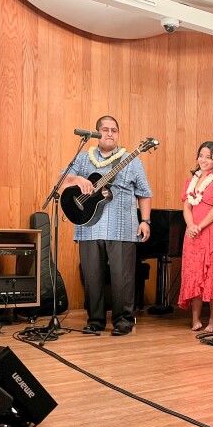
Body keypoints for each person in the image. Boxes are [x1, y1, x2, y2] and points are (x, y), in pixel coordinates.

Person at [61, 115, 153, 336]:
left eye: (114, 130)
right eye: (105, 129)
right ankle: (95, 320)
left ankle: (123, 320)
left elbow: (145, 193)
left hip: (122, 226)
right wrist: (77, 180)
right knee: (92, 276)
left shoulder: (132, 161)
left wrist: (145, 221)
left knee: (122, 277)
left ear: (118, 134)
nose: (110, 133)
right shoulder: (83, 159)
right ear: (96, 133)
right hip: (88, 226)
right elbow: (62, 180)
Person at [178, 141, 213, 333]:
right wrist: (191, 225)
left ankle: (212, 320)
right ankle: (195, 319)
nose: (203, 160)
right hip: (193, 231)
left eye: (208, 157)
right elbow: (186, 206)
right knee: (194, 273)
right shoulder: (191, 180)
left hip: (212, 230)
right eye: (201, 155)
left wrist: (200, 226)